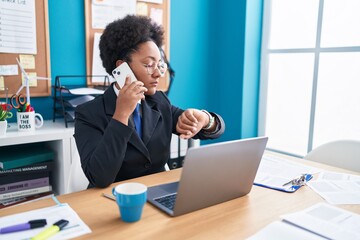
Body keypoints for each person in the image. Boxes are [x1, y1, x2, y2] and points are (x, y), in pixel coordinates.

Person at [74, 15, 225, 188]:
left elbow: (212, 130)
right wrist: (121, 115)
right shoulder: (88, 114)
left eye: (159, 64)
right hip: (112, 202)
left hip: (157, 195)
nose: (158, 73)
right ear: (121, 68)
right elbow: (99, 177)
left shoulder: (159, 101)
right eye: (148, 65)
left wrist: (205, 119)